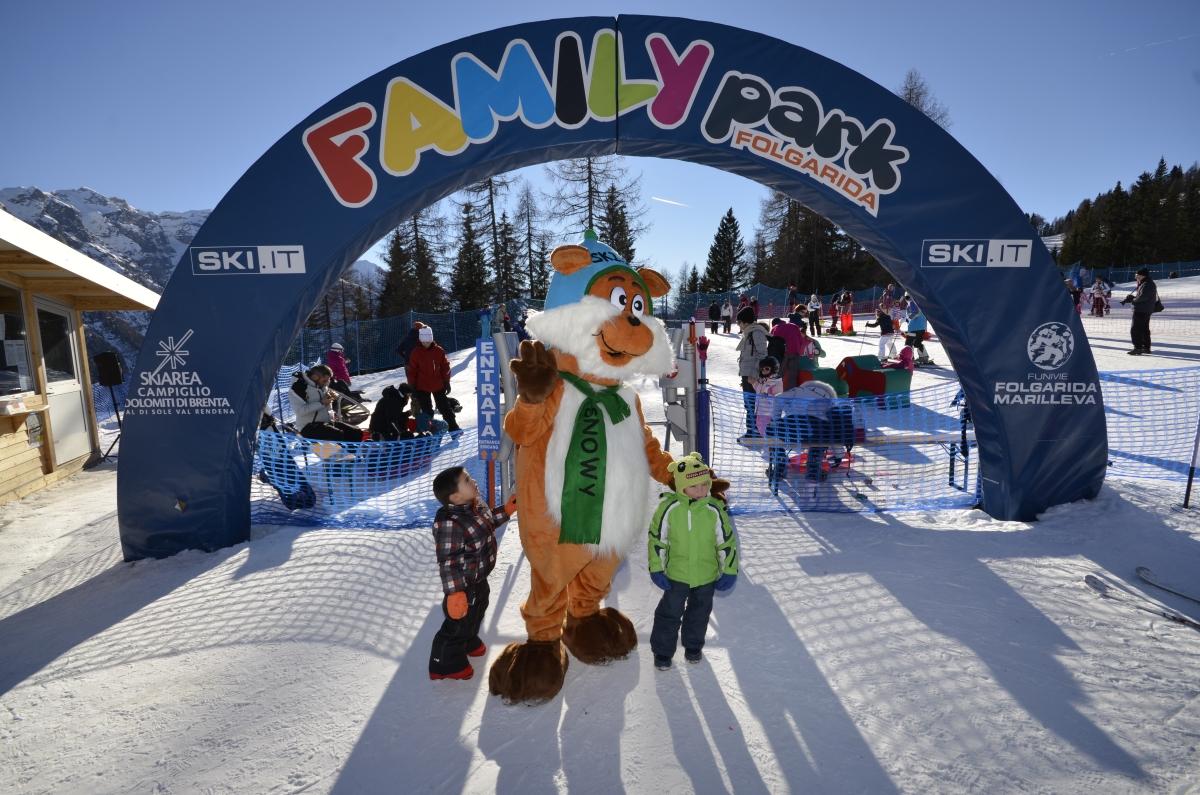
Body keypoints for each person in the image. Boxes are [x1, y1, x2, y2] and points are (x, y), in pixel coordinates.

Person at [647, 452, 738, 670]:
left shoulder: (714, 510)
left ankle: (693, 646)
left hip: (706, 575)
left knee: (699, 613)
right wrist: (656, 567)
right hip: (676, 574)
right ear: (681, 487)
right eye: (694, 486)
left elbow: (726, 541)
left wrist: (729, 569)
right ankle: (662, 651)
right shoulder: (669, 509)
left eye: (704, 484)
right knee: (669, 613)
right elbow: (657, 539)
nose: (701, 491)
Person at [428, 466, 517, 680]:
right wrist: (455, 593)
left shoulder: (474, 506)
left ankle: (467, 640)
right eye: (467, 480)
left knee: (478, 611)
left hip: (478, 578)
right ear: (456, 496)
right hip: (462, 586)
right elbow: (448, 561)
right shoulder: (450, 522)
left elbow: (488, 523)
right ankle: (444, 664)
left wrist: (505, 510)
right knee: (457, 623)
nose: (473, 481)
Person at [406, 326, 461, 433]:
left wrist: (446, 381)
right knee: (427, 411)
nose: (426, 344)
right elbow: (412, 371)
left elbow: (445, 367)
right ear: (420, 340)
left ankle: (454, 428)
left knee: (444, 407)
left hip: (438, 384)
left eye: (428, 341)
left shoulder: (438, 351)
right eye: (424, 341)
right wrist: (412, 386)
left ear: (431, 339)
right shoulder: (416, 352)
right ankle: (430, 432)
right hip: (422, 386)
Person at [289, 364, 362, 442]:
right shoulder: (298, 388)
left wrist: (332, 411)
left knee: (355, 433)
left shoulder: (322, 385)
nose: (326, 383)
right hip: (308, 427)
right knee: (337, 435)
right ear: (315, 377)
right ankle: (338, 453)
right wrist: (321, 403)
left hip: (325, 422)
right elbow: (300, 411)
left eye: (328, 380)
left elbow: (327, 404)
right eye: (324, 380)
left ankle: (355, 453)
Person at [736, 306, 770, 440]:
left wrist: (754, 375)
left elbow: (762, 354)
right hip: (747, 374)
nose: (739, 325)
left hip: (752, 375)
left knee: (752, 404)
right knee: (749, 403)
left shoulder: (756, 333)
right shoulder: (749, 333)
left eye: (739, 322)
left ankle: (754, 432)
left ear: (745, 322)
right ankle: (751, 431)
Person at [1120, 267, 1160, 355]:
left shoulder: (1147, 284)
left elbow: (1143, 297)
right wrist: (1133, 298)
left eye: (1137, 275)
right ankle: (1145, 347)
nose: (1136, 277)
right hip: (1145, 309)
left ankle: (1138, 348)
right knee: (1144, 329)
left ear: (1142, 275)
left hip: (1141, 310)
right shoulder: (1145, 283)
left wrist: (1133, 299)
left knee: (1135, 329)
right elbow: (1143, 296)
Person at [770, 315, 814, 390]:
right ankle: (791, 392)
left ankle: (776, 391)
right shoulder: (794, 326)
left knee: (779, 374)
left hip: (783, 354)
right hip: (795, 352)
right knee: (792, 375)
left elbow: (772, 343)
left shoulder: (775, 328)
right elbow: (801, 340)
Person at [753, 356, 784, 436]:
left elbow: (778, 396)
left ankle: (770, 445)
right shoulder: (762, 380)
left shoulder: (776, 381)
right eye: (762, 369)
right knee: (760, 426)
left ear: (773, 368)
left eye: (766, 368)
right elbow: (758, 389)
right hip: (760, 410)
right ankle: (766, 444)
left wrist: (769, 394)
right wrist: (753, 383)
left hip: (769, 412)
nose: (764, 371)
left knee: (767, 429)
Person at [903, 299, 933, 365]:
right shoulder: (922, 303)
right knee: (917, 342)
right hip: (921, 327)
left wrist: (910, 317)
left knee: (909, 342)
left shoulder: (912, 302)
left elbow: (915, 313)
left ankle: (910, 358)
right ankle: (924, 357)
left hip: (914, 328)